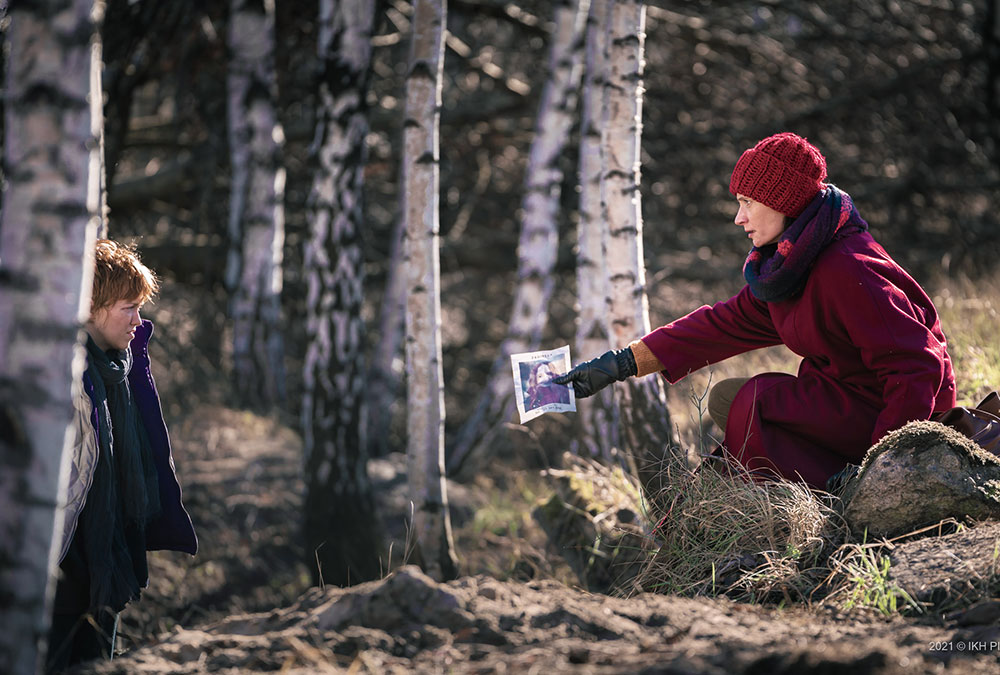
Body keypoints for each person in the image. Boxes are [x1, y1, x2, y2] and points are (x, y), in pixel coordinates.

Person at [555, 132, 955, 489]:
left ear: (784, 202)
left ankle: (831, 490)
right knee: (730, 400)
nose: (738, 217)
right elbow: (720, 324)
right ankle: (777, 486)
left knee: (758, 399)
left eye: (748, 202)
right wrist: (620, 364)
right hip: (848, 399)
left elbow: (916, 366)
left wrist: (880, 467)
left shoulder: (848, 267)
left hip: (896, 416)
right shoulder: (793, 266)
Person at [46, 240, 198, 672]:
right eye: (127, 308)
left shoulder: (123, 367)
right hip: (60, 556)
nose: (138, 319)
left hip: (109, 550)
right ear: (92, 306)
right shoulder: (58, 374)